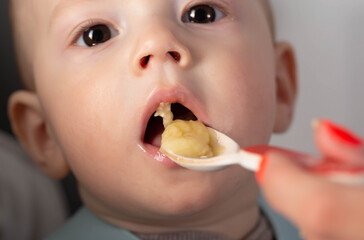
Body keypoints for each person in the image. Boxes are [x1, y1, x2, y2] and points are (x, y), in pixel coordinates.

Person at [7, 0, 360, 239]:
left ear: (280, 87)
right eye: (96, 34)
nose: (159, 43)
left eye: (201, 13)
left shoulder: (328, 224)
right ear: (45, 135)